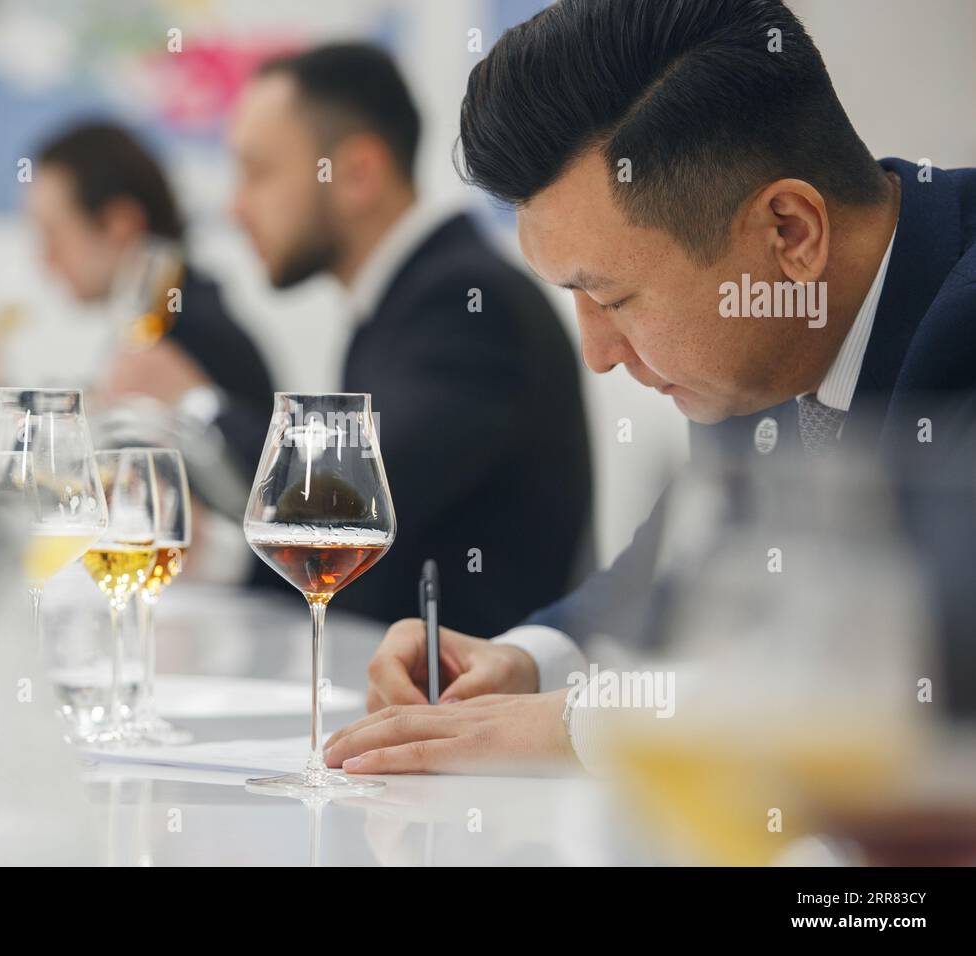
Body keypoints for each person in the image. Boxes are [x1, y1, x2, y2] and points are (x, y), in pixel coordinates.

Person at [325, 0, 976, 775]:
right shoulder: (770, 326)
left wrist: (586, 724)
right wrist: (531, 661)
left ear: (790, 233)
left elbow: (923, 676)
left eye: (614, 299)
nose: (598, 355)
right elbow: (678, 565)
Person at [217, 43, 593, 635]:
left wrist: (194, 405)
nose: (234, 207)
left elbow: (349, 506)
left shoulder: (468, 303)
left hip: (462, 702)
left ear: (360, 173)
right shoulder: (411, 297)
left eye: (258, 172)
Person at [0, 121, 275, 464]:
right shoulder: (163, 310)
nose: (45, 259)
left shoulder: (187, 328)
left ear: (120, 224)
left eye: (52, 233)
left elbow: (69, 480)